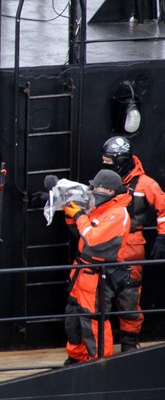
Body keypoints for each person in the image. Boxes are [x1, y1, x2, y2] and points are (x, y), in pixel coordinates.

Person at [100, 136, 165, 352]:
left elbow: (164, 209)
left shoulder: (145, 184)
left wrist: (162, 238)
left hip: (131, 249)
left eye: (109, 161)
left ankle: (129, 344)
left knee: (129, 298)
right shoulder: (106, 180)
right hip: (106, 248)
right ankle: (101, 348)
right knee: (100, 300)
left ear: (120, 160)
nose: (104, 164)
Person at [62, 169, 131, 365]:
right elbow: (81, 233)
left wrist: (79, 215)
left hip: (98, 276)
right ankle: (75, 358)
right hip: (82, 272)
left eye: (97, 187)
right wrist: (71, 215)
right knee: (73, 317)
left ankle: (100, 363)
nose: (93, 190)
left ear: (109, 191)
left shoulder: (117, 214)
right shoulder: (102, 207)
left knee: (93, 321)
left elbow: (92, 238)